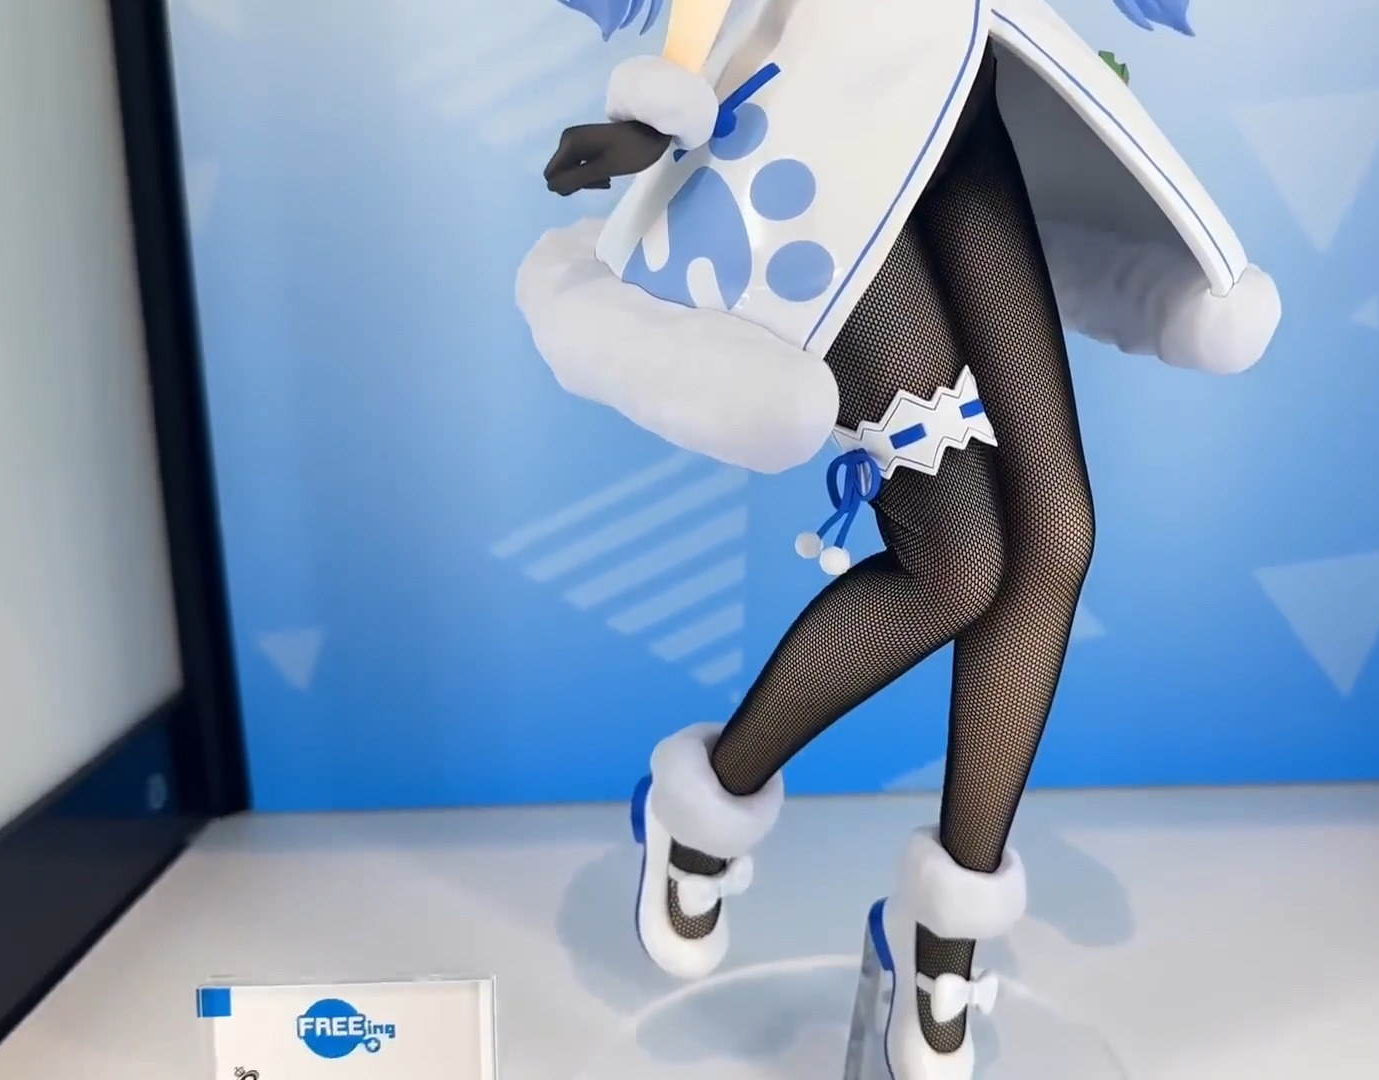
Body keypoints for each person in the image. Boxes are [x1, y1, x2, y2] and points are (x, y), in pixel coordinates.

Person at [515, 0, 1280, 1075]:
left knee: (1057, 534)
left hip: (963, 97)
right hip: (827, 133)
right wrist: (664, 98)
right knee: (958, 562)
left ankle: (944, 941)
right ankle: (702, 805)